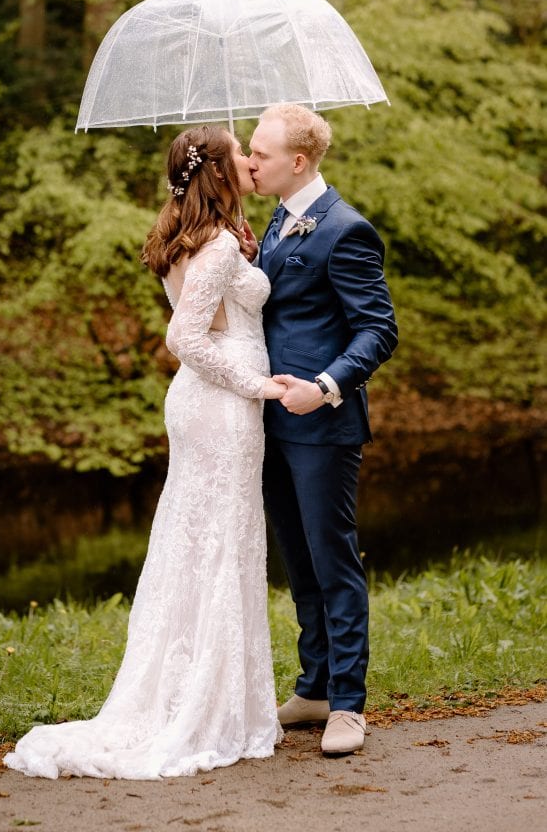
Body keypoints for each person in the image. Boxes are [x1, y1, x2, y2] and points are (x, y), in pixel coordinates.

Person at [4, 125, 284, 781]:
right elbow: (186, 336)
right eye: (239, 151)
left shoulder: (196, 239)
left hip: (199, 404)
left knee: (201, 544)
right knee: (218, 544)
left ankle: (207, 695)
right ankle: (206, 708)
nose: (249, 159)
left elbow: (214, 307)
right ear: (217, 171)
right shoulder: (213, 246)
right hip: (220, 400)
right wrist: (256, 385)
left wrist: (244, 252)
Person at [248, 103, 398, 756]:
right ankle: (311, 687)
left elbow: (378, 329)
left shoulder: (345, 229)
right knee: (298, 561)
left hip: (322, 424)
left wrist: (327, 386)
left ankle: (346, 704)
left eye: (261, 152)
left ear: (299, 161)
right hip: (267, 420)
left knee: (332, 561)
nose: (250, 161)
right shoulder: (273, 223)